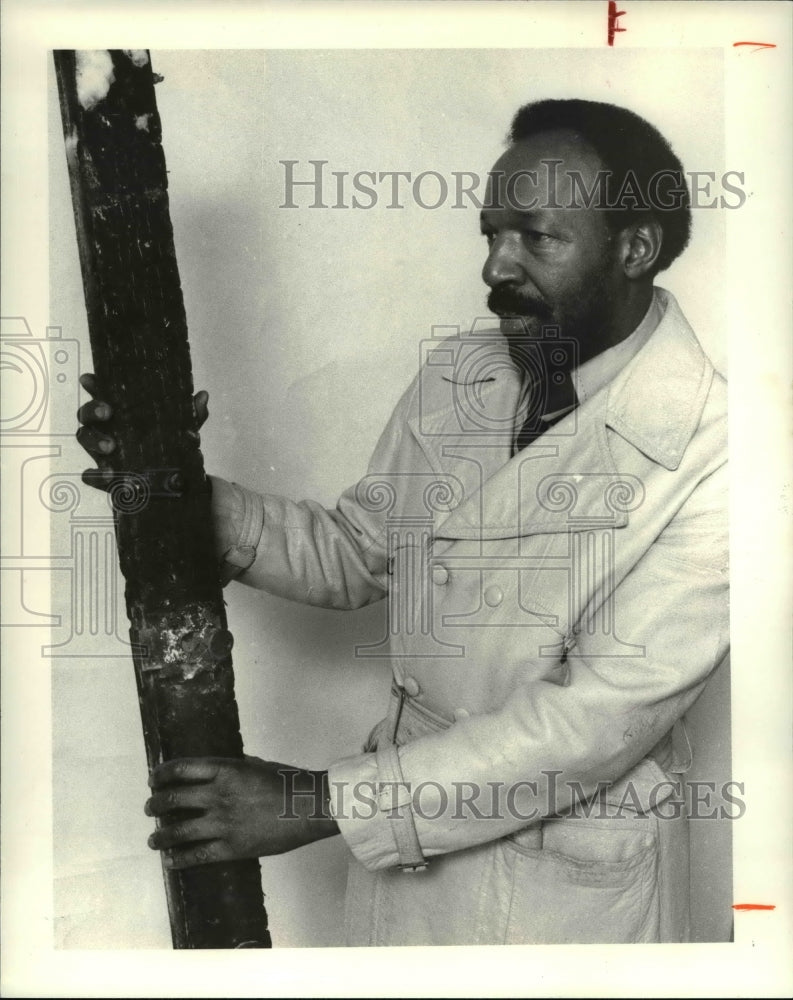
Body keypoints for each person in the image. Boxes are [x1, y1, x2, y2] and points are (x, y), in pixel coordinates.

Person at [77, 99, 729, 946]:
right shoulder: (469, 367)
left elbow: (590, 726)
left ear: (634, 247)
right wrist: (170, 490)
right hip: (411, 865)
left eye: (536, 237)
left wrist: (323, 802)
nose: (497, 266)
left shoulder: (727, 451)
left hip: (563, 899)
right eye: (490, 233)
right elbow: (356, 552)